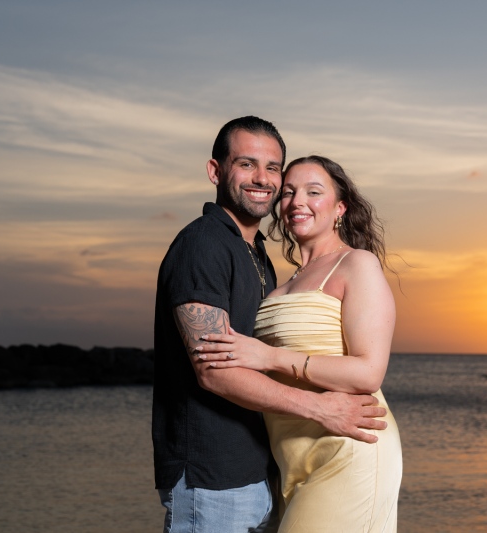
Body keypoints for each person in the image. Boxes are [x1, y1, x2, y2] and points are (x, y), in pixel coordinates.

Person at [153, 118, 388, 533]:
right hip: (216, 477)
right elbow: (215, 370)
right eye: (246, 164)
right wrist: (320, 408)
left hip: (270, 468)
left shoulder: (259, 257)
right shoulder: (203, 243)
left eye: (273, 168)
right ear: (216, 171)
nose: (263, 178)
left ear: (339, 208)